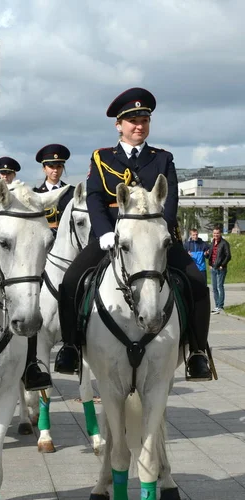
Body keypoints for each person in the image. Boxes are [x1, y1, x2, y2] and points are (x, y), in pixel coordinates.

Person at [54, 87, 212, 381]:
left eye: (144, 121)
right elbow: (95, 199)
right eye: (132, 121)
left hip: (154, 238)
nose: (139, 126)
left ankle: (198, 352)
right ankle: (71, 346)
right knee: (72, 280)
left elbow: (171, 198)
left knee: (196, 282)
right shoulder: (102, 158)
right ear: (119, 125)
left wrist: (160, 231)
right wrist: (102, 232)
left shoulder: (162, 158)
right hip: (113, 237)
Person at [33, 144, 75, 231]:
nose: (55, 170)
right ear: (44, 168)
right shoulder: (36, 194)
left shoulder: (72, 192)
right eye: (51, 167)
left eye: (59, 166)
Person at [208, 225, 231, 313]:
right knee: (214, 288)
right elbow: (211, 254)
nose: (216, 235)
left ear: (220, 233)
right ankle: (217, 305)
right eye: (214, 233)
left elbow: (228, 256)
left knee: (219, 286)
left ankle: (220, 306)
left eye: (217, 233)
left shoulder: (224, 243)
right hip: (213, 267)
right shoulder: (213, 242)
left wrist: (222, 265)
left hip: (221, 268)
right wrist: (209, 263)